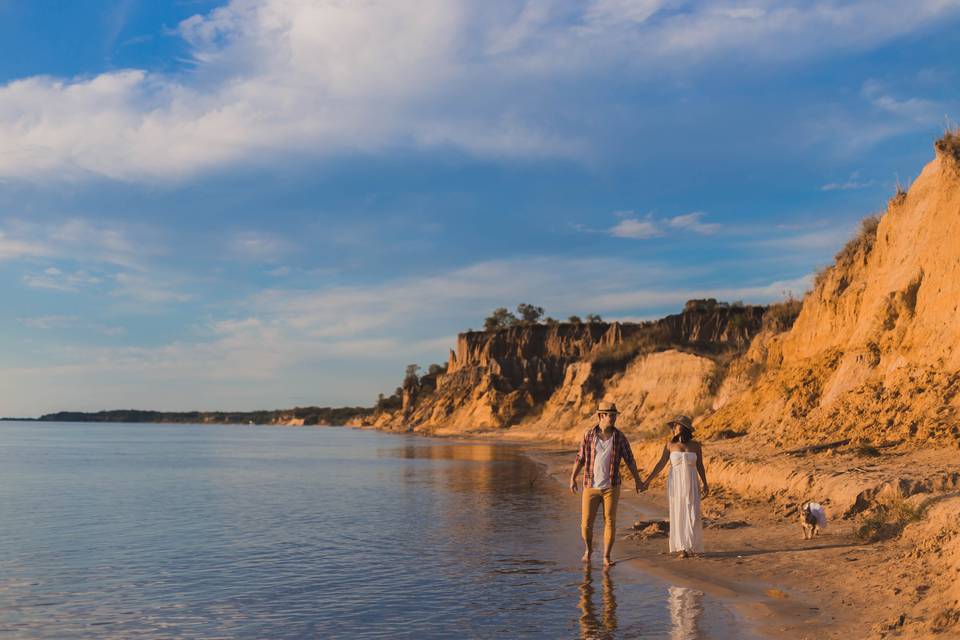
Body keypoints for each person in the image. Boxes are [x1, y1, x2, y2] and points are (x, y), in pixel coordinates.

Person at [569, 401, 643, 568]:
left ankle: (606, 556)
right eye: (611, 415)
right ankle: (588, 550)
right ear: (601, 416)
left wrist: (638, 480)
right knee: (586, 523)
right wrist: (572, 478)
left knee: (610, 521)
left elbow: (630, 460)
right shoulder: (588, 435)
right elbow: (580, 458)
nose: (614, 418)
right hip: (590, 486)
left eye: (615, 415)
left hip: (612, 486)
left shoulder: (620, 437)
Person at [639, 415, 708, 558]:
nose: (673, 429)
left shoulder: (695, 445)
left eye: (675, 426)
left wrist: (705, 483)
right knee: (679, 512)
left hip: (692, 482)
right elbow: (660, 464)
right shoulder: (670, 445)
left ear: (682, 428)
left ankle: (692, 546)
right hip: (676, 483)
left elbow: (700, 465)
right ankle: (683, 548)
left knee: (692, 513)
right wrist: (648, 481)